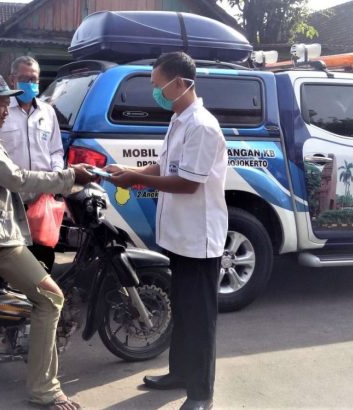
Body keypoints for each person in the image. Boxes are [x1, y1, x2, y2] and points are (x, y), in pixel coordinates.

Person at [0, 73, 93, 410]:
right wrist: (70, 177)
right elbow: (15, 178)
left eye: (8, 102)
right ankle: (44, 389)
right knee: (50, 299)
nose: (7, 108)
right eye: (1, 103)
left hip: (0, 226)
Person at [105, 52, 227, 410]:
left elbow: (188, 183)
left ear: (179, 83)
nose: (155, 91)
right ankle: (179, 374)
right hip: (178, 235)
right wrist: (132, 169)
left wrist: (135, 178)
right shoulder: (179, 120)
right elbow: (166, 164)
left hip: (199, 238)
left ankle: (201, 393)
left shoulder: (202, 126)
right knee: (183, 309)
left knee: (200, 317)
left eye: (159, 85)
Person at [0, 56, 64, 271]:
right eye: (24, 78)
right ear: (12, 79)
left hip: (42, 200)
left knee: (43, 259)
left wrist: (56, 177)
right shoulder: (1, 112)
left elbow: (56, 150)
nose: (30, 83)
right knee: (13, 260)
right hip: (10, 201)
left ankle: (41, 301)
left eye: (34, 79)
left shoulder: (47, 112)